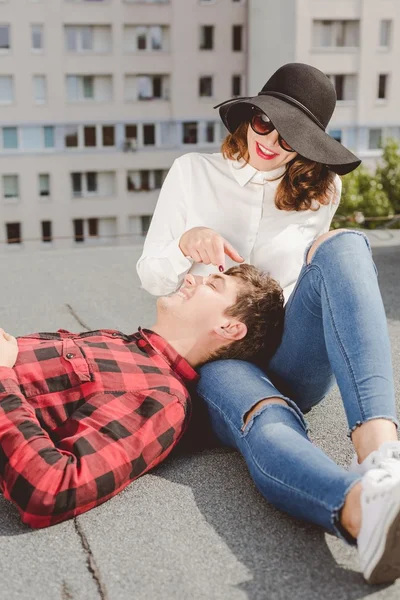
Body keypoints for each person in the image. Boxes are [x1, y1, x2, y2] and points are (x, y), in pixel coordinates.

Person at [137, 62, 400, 585]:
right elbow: (151, 274)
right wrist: (186, 244)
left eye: (293, 136)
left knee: (345, 244)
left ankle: (383, 459)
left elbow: (303, 286)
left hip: (290, 354)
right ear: (250, 117)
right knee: (268, 416)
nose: (274, 144)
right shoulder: (193, 172)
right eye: (266, 124)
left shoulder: (322, 193)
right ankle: (360, 512)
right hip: (220, 360)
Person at [0, 264, 284, 528]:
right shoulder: (120, 343)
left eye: (213, 285)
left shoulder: (161, 397)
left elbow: (51, 490)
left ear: (229, 328)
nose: (190, 278)